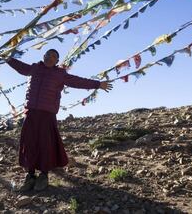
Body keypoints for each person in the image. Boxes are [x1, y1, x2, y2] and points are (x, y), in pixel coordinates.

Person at [7, 49, 113, 192]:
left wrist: (97, 84)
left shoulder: (60, 74)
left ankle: (44, 175)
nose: (50, 58)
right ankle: (30, 175)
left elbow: (77, 81)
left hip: (47, 114)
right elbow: (21, 67)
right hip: (31, 113)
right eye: (48, 55)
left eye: (53, 57)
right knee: (29, 143)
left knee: (45, 145)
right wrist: (8, 59)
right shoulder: (34, 68)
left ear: (57, 61)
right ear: (43, 57)